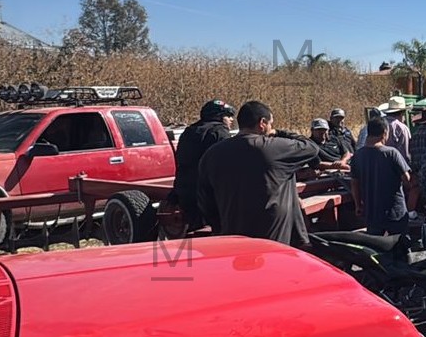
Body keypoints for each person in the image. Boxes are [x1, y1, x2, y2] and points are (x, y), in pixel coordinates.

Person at [197, 101, 323, 248]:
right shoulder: (273, 149)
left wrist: (219, 228)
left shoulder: (212, 154)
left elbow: (205, 201)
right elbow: (312, 148)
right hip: (277, 240)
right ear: (262, 123)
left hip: (234, 238)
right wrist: (279, 133)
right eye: (271, 124)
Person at [169, 99, 235, 229]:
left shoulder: (188, 132)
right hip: (210, 196)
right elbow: (227, 166)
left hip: (186, 192)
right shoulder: (220, 133)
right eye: (227, 116)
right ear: (218, 117)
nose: (231, 120)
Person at [350, 117, 412, 236]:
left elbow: (354, 183)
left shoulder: (357, 155)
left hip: (372, 212)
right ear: (384, 132)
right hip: (394, 210)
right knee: (401, 246)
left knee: (376, 248)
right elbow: (406, 179)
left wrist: (358, 205)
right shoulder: (391, 153)